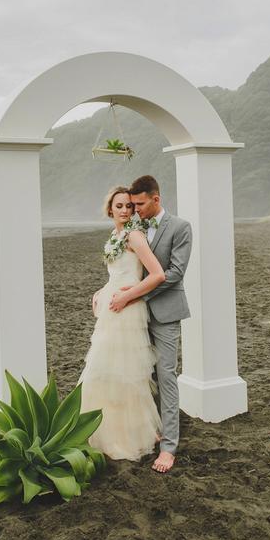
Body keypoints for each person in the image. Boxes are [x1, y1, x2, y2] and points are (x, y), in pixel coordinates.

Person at [109, 176, 192, 473]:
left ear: (156, 198)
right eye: (131, 205)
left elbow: (175, 273)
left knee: (166, 375)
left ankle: (169, 447)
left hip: (165, 312)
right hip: (135, 316)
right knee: (140, 374)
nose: (135, 209)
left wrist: (134, 295)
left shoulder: (180, 227)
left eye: (140, 204)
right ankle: (149, 429)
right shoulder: (136, 227)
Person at [78, 186, 166, 462]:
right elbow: (118, 273)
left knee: (126, 374)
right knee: (105, 371)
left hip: (128, 309)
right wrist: (102, 291)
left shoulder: (135, 236)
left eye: (129, 206)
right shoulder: (115, 236)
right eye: (120, 206)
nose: (125, 211)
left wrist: (126, 296)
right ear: (110, 209)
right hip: (111, 306)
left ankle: (132, 433)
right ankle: (105, 430)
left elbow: (157, 275)